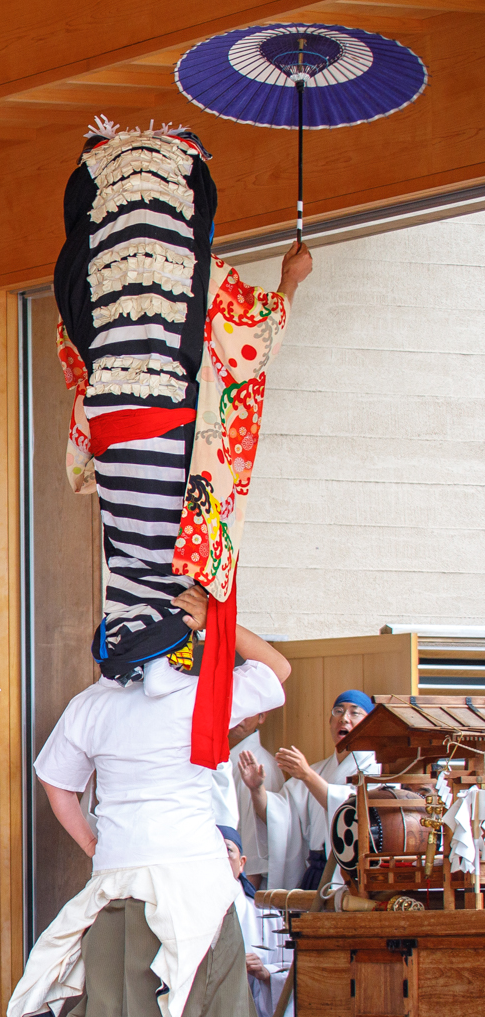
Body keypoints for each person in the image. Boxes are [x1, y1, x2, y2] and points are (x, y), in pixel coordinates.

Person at [54, 118, 312, 770]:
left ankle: (146, 637)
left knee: (139, 550)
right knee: (150, 556)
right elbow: (251, 343)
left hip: (114, 423)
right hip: (163, 427)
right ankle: (146, 636)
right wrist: (289, 284)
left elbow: (72, 350)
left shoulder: (96, 264)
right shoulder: (200, 268)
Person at [9, 585, 288, 1017]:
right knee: (201, 998)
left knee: (108, 1001)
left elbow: (56, 782)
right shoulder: (197, 697)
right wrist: (215, 620)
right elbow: (277, 670)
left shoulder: (90, 704)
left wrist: (94, 842)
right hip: (192, 872)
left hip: (120, 873)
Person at [251, 691, 377, 892]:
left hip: (351, 875)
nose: (344, 718)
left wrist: (307, 775)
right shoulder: (318, 771)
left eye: (355, 713)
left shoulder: (378, 771)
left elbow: (351, 811)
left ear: (370, 724)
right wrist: (256, 789)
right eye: (338, 711)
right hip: (316, 871)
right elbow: (279, 814)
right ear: (330, 722)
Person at [224, 827, 292, 1017]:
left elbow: (287, 971)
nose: (218, 858)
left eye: (227, 851)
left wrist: (265, 973)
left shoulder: (265, 914)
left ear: (242, 863)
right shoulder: (184, 913)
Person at [229, 711, 282, 890]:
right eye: (236, 707)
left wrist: (248, 893)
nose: (238, 715)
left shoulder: (259, 765)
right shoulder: (226, 759)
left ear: (261, 716)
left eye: (248, 710)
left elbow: (256, 840)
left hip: (241, 878)